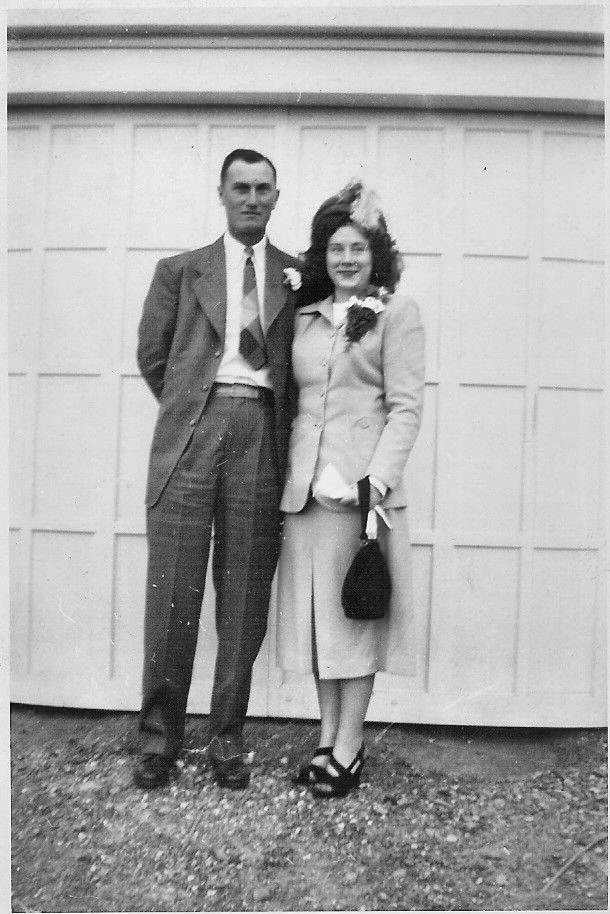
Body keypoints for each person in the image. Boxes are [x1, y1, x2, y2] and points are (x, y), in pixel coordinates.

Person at [134, 149, 299, 790]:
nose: (251, 198)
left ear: (275, 196)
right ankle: (158, 741)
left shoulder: (297, 275)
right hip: (193, 433)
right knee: (173, 593)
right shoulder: (180, 271)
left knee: (244, 595)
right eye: (241, 187)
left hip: (260, 429)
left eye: (262, 188)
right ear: (222, 194)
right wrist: (191, 406)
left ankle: (227, 738)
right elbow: (153, 356)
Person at [276, 180, 425, 798]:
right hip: (305, 491)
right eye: (336, 247)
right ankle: (326, 738)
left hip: (359, 496)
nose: (346, 258)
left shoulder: (396, 314)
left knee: (353, 620)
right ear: (323, 254)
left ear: (376, 254)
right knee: (319, 621)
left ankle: (350, 746)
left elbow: (406, 408)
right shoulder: (305, 315)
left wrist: (373, 481)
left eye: (357, 247)